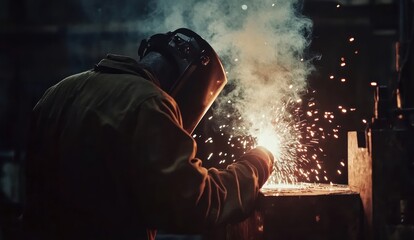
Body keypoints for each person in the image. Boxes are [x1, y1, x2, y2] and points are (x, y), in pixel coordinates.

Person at [23, 28, 274, 240]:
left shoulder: (59, 91)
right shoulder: (149, 103)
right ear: (187, 84)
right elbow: (195, 203)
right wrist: (256, 165)